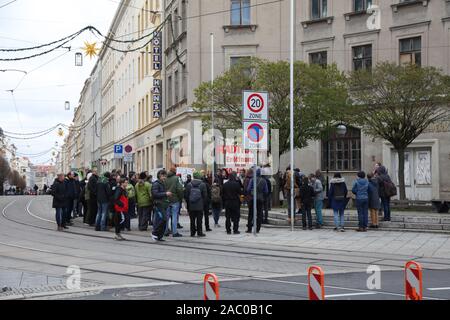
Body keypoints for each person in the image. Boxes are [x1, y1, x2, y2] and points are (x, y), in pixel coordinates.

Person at [185, 172, 208, 237]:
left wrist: (188, 203)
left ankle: (192, 232)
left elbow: (186, 195)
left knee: (192, 220)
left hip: (191, 205)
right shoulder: (203, 184)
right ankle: (199, 232)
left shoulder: (189, 184)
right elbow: (205, 195)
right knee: (199, 219)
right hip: (199, 205)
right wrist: (202, 203)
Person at [246, 168, 268, 233]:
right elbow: (266, 191)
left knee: (251, 214)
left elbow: (248, 189)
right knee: (259, 214)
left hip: (253, 198)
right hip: (260, 199)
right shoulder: (264, 181)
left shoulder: (252, 179)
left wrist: (251, 192)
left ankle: (249, 229)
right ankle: (258, 229)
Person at [151, 170, 172, 241]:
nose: (164, 177)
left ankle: (159, 236)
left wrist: (167, 195)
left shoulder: (162, 183)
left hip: (163, 204)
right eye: (162, 176)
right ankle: (154, 233)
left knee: (164, 220)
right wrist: (165, 194)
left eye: (165, 176)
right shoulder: (156, 184)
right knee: (162, 219)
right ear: (159, 176)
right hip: (158, 204)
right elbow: (155, 194)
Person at [164, 168, 184, 237]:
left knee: (166, 217)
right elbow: (180, 189)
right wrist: (180, 197)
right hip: (175, 199)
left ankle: (165, 231)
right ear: (175, 172)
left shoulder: (165, 178)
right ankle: (174, 232)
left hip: (166, 199)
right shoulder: (177, 178)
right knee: (174, 216)